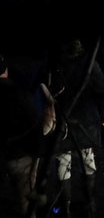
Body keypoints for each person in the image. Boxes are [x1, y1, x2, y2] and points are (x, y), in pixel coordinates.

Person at [46, 38, 104, 218]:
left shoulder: (55, 66)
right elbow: (102, 91)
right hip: (86, 122)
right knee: (88, 160)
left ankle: (64, 207)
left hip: (63, 123)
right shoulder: (89, 66)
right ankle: (90, 203)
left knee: (63, 163)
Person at [1, 53, 54, 218]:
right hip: (20, 156)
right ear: (6, 70)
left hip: (6, 155)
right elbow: (35, 125)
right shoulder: (18, 94)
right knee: (26, 201)